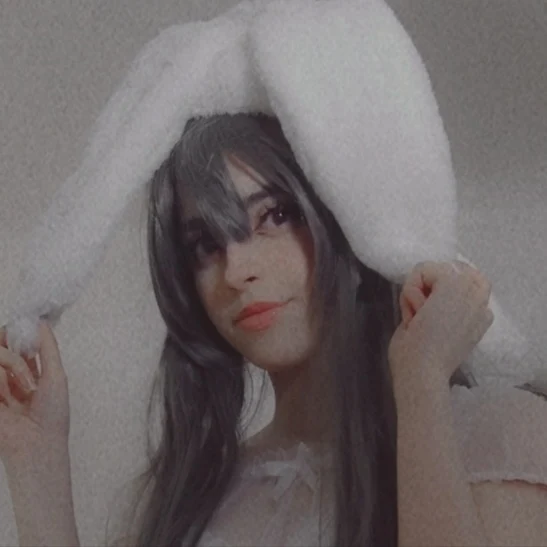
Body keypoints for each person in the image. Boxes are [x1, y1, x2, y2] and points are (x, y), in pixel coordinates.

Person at [2, 113, 547, 547]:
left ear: (349, 217)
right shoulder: (188, 499)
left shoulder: (500, 439)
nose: (236, 271)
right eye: (205, 245)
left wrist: (422, 384)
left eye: (276, 216)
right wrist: (36, 464)